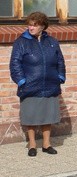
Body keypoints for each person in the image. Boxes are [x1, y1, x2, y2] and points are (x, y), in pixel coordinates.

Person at [10, 12, 66, 157]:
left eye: (34, 25)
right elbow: (15, 63)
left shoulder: (52, 41)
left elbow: (60, 61)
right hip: (30, 86)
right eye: (29, 24)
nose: (31, 27)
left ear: (42, 26)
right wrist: (22, 81)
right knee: (31, 115)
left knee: (48, 115)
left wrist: (60, 76)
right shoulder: (21, 42)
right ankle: (32, 145)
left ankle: (47, 144)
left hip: (50, 84)